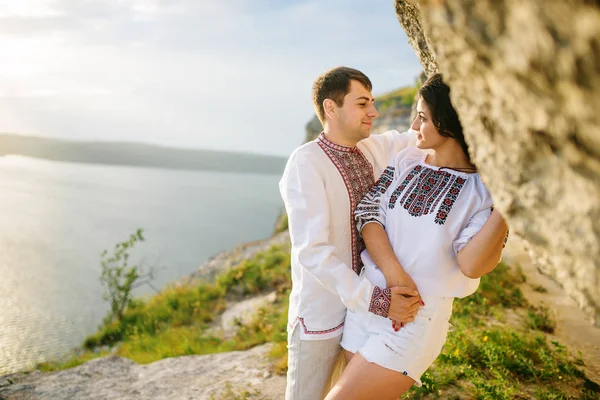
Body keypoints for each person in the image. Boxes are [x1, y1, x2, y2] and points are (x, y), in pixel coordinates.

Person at [324, 73, 509, 400]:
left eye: (423, 117)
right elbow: (368, 215)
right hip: (369, 304)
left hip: (411, 321)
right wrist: (395, 276)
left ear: (450, 123)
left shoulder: (482, 192)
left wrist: (507, 207)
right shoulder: (406, 160)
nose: (414, 124)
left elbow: (472, 265)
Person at [279, 66, 424, 400]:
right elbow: (312, 253)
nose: (373, 111)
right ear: (331, 108)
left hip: (365, 319)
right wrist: (377, 301)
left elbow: (416, 137)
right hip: (323, 317)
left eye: (372, 102)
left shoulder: (372, 148)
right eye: (362, 103)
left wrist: (427, 101)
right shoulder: (306, 163)